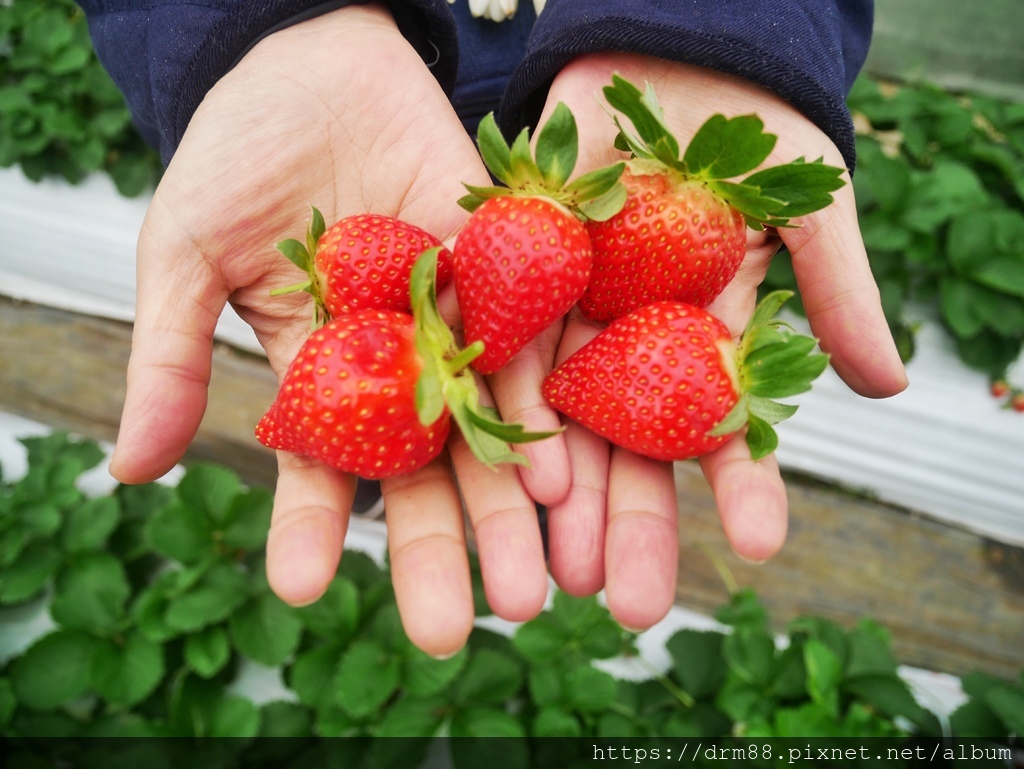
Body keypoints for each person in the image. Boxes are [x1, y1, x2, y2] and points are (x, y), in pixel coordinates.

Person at [76, 0, 907, 657]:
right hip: (384, 152)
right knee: (445, 444)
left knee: (529, 448)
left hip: (572, 153)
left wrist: (702, 26)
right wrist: (262, 26)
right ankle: (402, 480)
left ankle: (493, 496)